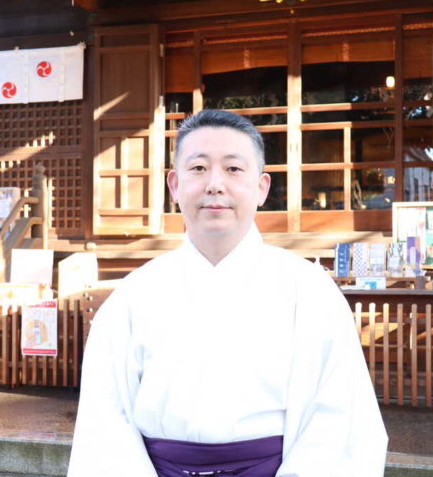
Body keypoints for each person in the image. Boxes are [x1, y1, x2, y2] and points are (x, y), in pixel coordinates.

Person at [68, 109, 387, 476]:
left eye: (233, 169)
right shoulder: (133, 296)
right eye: (199, 168)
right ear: (174, 185)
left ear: (262, 187)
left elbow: (341, 420)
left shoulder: (310, 291)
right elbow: (106, 424)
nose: (214, 184)